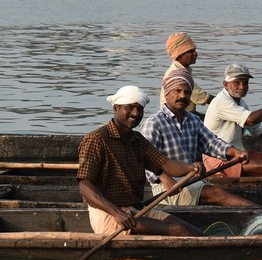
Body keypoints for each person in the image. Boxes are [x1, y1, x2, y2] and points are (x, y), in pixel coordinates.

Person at [77, 85, 203, 236]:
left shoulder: (138, 140)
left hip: (135, 210)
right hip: (108, 215)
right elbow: (84, 186)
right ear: (116, 108)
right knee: (178, 230)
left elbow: (166, 164)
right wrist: (117, 213)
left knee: (192, 230)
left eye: (139, 109)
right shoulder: (96, 139)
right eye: (129, 108)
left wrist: (190, 168)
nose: (135, 113)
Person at [138, 69, 255, 207]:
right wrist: (165, 179)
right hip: (166, 188)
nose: (182, 96)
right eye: (177, 91)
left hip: (191, 180)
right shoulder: (154, 123)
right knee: (216, 193)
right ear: (167, 93)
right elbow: (144, 160)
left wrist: (235, 152)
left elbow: (212, 143)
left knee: (220, 192)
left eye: (187, 92)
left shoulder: (193, 120)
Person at [162, 32, 211, 111]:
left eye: (194, 50)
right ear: (179, 55)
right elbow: (201, 97)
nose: (195, 54)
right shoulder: (177, 74)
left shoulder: (183, 70)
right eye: (190, 51)